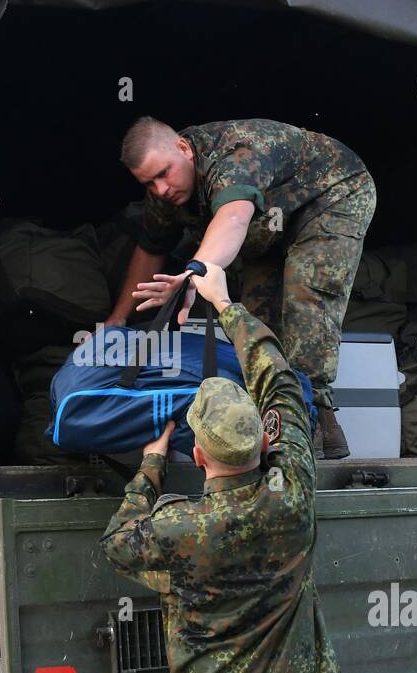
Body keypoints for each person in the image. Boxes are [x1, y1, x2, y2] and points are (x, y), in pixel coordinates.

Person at [99, 260, 369, 673]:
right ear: (264, 445)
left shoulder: (182, 530)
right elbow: (279, 380)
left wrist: (147, 468)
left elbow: (118, 541)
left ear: (197, 454)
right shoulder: (294, 496)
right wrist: (228, 306)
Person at [109, 116, 377, 459]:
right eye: (149, 183)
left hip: (332, 194)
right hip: (273, 221)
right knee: (252, 315)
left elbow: (233, 218)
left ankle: (314, 420)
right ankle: (264, 417)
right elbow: (151, 248)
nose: (161, 189)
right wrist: (118, 318)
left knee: (307, 296)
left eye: (163, 174)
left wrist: (194, 272)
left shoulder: (236, 154)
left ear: (182, 148)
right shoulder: (167, 190)